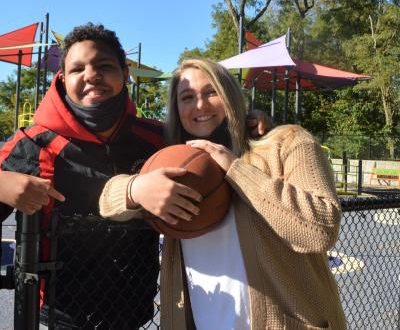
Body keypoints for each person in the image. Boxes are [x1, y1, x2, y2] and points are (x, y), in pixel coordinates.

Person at [0, 24, 269, 329]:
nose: (92, 75)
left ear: (125, 73)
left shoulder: (158, 138)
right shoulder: (30, 146)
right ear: (63, 79)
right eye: (78, 68)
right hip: (61, 316)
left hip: (134, 311)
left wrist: (246, 122)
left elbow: (209, 143)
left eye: (104, 66)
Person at [99, 58, 347, 330]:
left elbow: (319, 229)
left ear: (230, 94)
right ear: (177, 108)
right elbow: (106, 200)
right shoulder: (172, 161)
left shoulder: (286, 142)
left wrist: (236, 168)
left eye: (211, 92)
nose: (200, 105)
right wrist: (135, 188)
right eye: (187, 97)